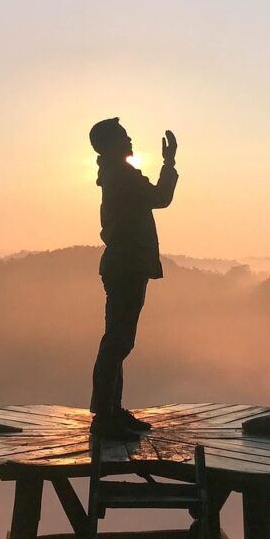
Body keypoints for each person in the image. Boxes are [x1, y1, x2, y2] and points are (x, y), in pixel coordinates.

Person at [88, 117, 178, 438]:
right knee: (118, 340)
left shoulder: (115, 175)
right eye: (124, 136)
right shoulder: (122, 176)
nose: (130, 140)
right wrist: (169, 162)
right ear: (111, 144)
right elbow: (160, 198)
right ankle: (104, 417)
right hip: (126, 265)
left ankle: (112, 410)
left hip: (123, 264)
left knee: (119, 338)